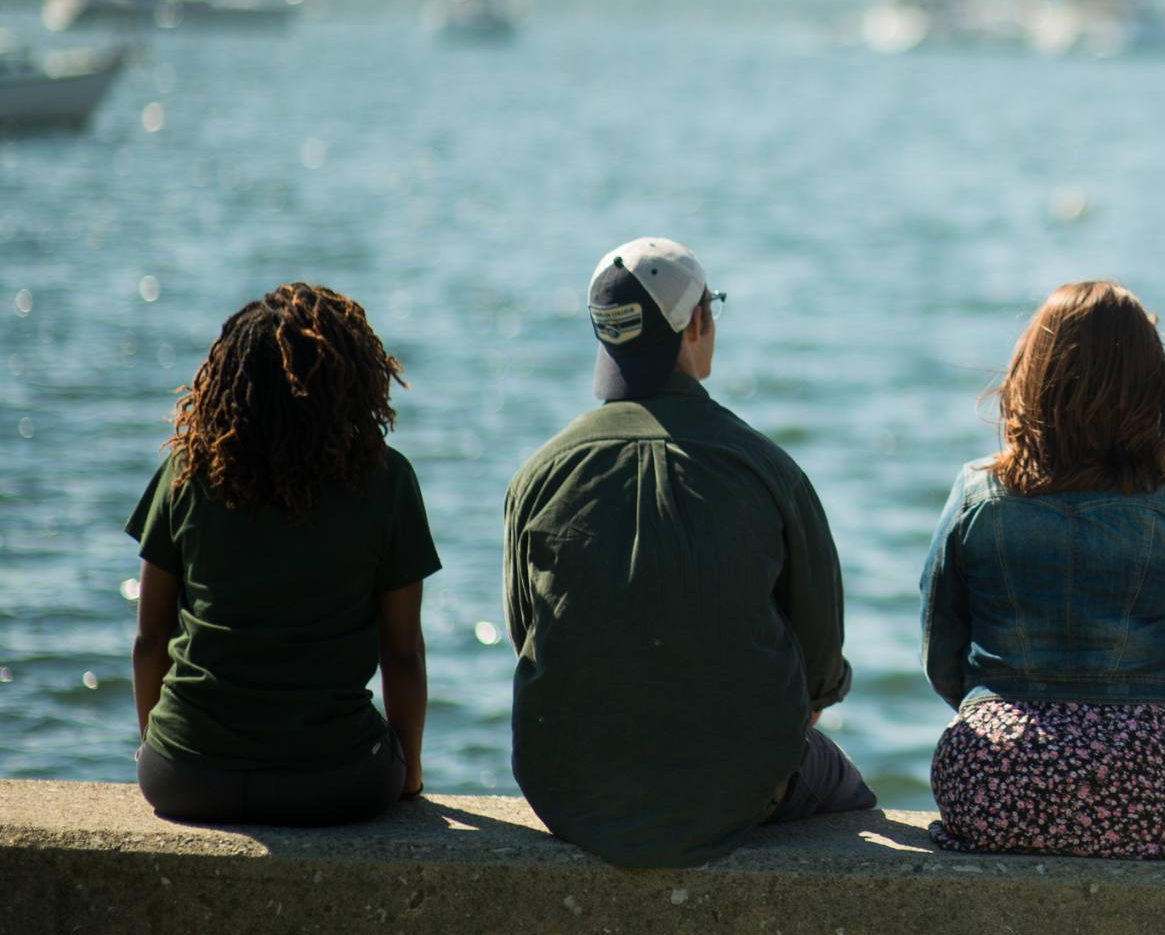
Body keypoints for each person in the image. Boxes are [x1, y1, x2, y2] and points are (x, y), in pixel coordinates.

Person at [505, 237, 874, 868]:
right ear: (696, 321)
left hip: (565, 789)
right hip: (740, 791)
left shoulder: (539, 475)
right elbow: (819, 670)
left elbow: (528, 636)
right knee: (849, 798)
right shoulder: (767, 468)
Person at [919, 281, 1165, 859]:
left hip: (997, 783)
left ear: (1032, 378)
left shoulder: (977, 494)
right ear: (1153, 390)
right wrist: (1157, 728)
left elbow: (941, 655)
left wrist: (1003, 720)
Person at [126, 283, 435, 824]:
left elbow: (151, 638)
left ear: (232, 378)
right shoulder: (386, 481)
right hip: (337, 782)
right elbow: (402, 652)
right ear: (352, 380)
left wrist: (161, 749)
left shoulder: (188, 473)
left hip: (183, 780)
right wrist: (407, 774)